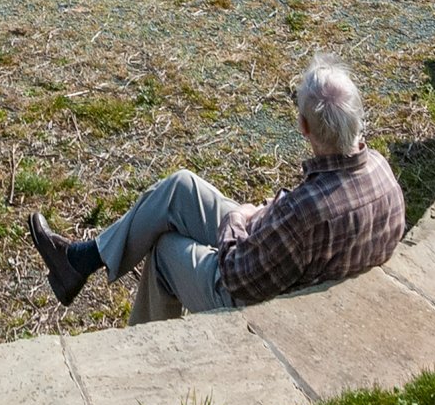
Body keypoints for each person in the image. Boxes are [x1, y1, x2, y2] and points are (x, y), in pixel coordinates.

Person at [26, 59, 404, 325]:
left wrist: (240, 220)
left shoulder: (307, 210)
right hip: (298, 262)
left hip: (263, 298)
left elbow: (237, 275)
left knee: (165, 252)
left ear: (304, 126)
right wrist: (274, 214)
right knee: (181, 187)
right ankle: (80, 260)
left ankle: (138, 357)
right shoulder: (382, 172)